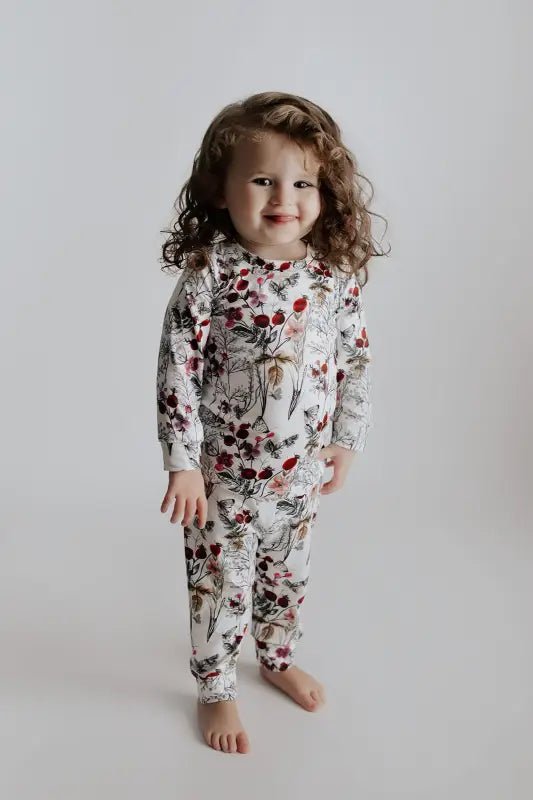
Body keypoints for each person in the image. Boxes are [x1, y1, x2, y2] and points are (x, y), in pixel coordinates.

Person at [156, 91, 387, 754]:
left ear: (326, 192)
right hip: (221, 477)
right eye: (262, 180)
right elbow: (176, 366)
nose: (283, 197)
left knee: (289, 574)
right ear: (220, 189)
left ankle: (276, 656)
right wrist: (182, 462)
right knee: (219, 583)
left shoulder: (332, 275)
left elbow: (356, 359)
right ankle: (215, 687)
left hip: (299, 473)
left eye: (302, 183)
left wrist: (347, 440)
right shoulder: (212, 271)